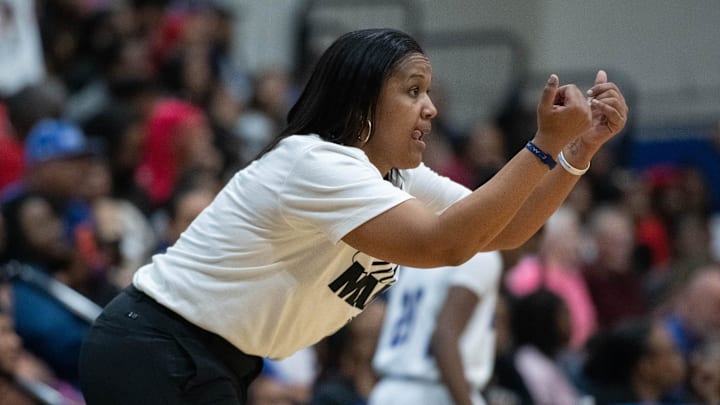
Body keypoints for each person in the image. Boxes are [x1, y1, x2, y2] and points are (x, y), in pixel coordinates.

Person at [78, 28, 628, 404]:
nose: (431, 108)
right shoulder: (316, 163)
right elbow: (446, 246)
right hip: (153, 344)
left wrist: (575, 153)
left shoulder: (395, 176)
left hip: (218, 358)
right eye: (413, 90)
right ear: (361, 101)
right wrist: (538, 147)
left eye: (429, 92)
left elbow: (505, 230)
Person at [369, 251, 503, 405]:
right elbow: (444, 338)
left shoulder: (423, 249)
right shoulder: (481, 255)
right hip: (436, 391)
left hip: (388, 389)